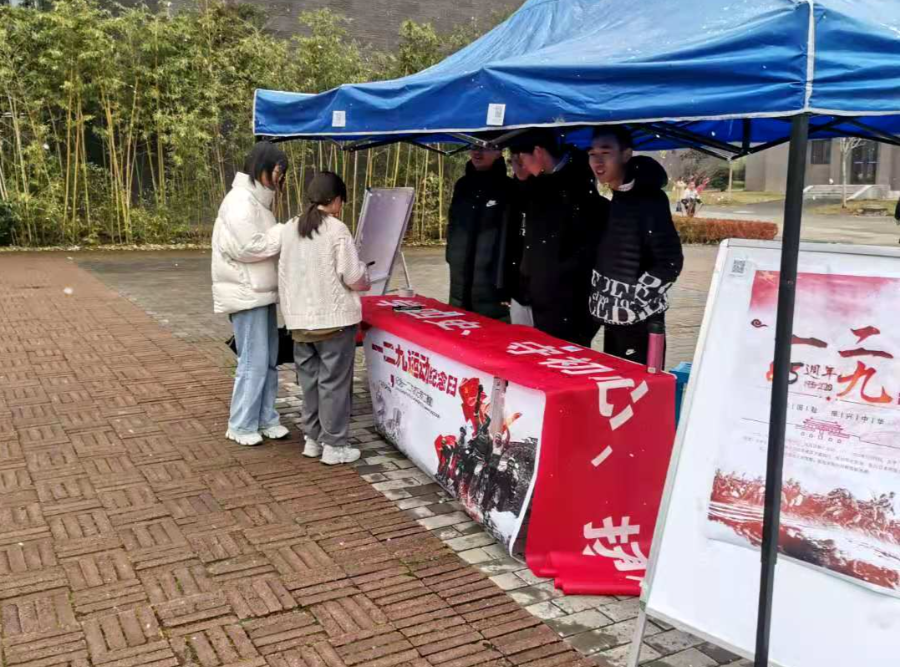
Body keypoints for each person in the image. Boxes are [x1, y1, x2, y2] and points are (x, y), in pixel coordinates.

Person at [278, 172, 370, 466]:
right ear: (335, 199)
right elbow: (352, 276)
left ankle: (312, 440)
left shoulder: (290, 227)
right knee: (334, 385)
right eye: (342, 200)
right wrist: (365, 274)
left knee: (310, 383)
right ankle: (334, 446)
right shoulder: (337, 229)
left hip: (299, 322)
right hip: (334, 322)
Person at [211, 141, 289, 447]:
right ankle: (241, 424)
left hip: (260, 291)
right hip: (246, 293)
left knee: (268, 359)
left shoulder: (258, 202)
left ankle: (266, 418)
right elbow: (249, 246)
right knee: (253, 361)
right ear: (261, 167)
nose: (279, 177)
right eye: (278, 170)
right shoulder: (240, 202)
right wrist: (285, 230)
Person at [587, 126, 684, 365]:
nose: (597, 161)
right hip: (615, 321)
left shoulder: (649, 199)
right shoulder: (619, 196)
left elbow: (670, 261)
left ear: (626, 154)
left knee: (638, 384)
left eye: (605, 153)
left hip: (641, 323)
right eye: (592, 154)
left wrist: (632, 299)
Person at [507, 130, 608, 346]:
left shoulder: (579, 190)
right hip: (532, 296)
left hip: (565, 309)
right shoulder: (540, 184)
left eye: (522, 159)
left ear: (538, 152)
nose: (521, 166)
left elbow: (585, 257)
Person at [446, 146, 515, 320]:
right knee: (457, 326)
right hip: (459, 279)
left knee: (493, 329)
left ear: (499, 152)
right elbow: (453, 224)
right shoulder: (462, 185)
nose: (477, 152)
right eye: (473, 147)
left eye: (486, 148)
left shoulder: (509, 188)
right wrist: (451, 254)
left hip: (492, 282)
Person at [505, 151, 532, 326]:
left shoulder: (550, 191)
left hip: (544, 290)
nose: (519, 164)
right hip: (516, 287)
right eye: (514, 160)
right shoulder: (507, 191)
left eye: (522, 159)